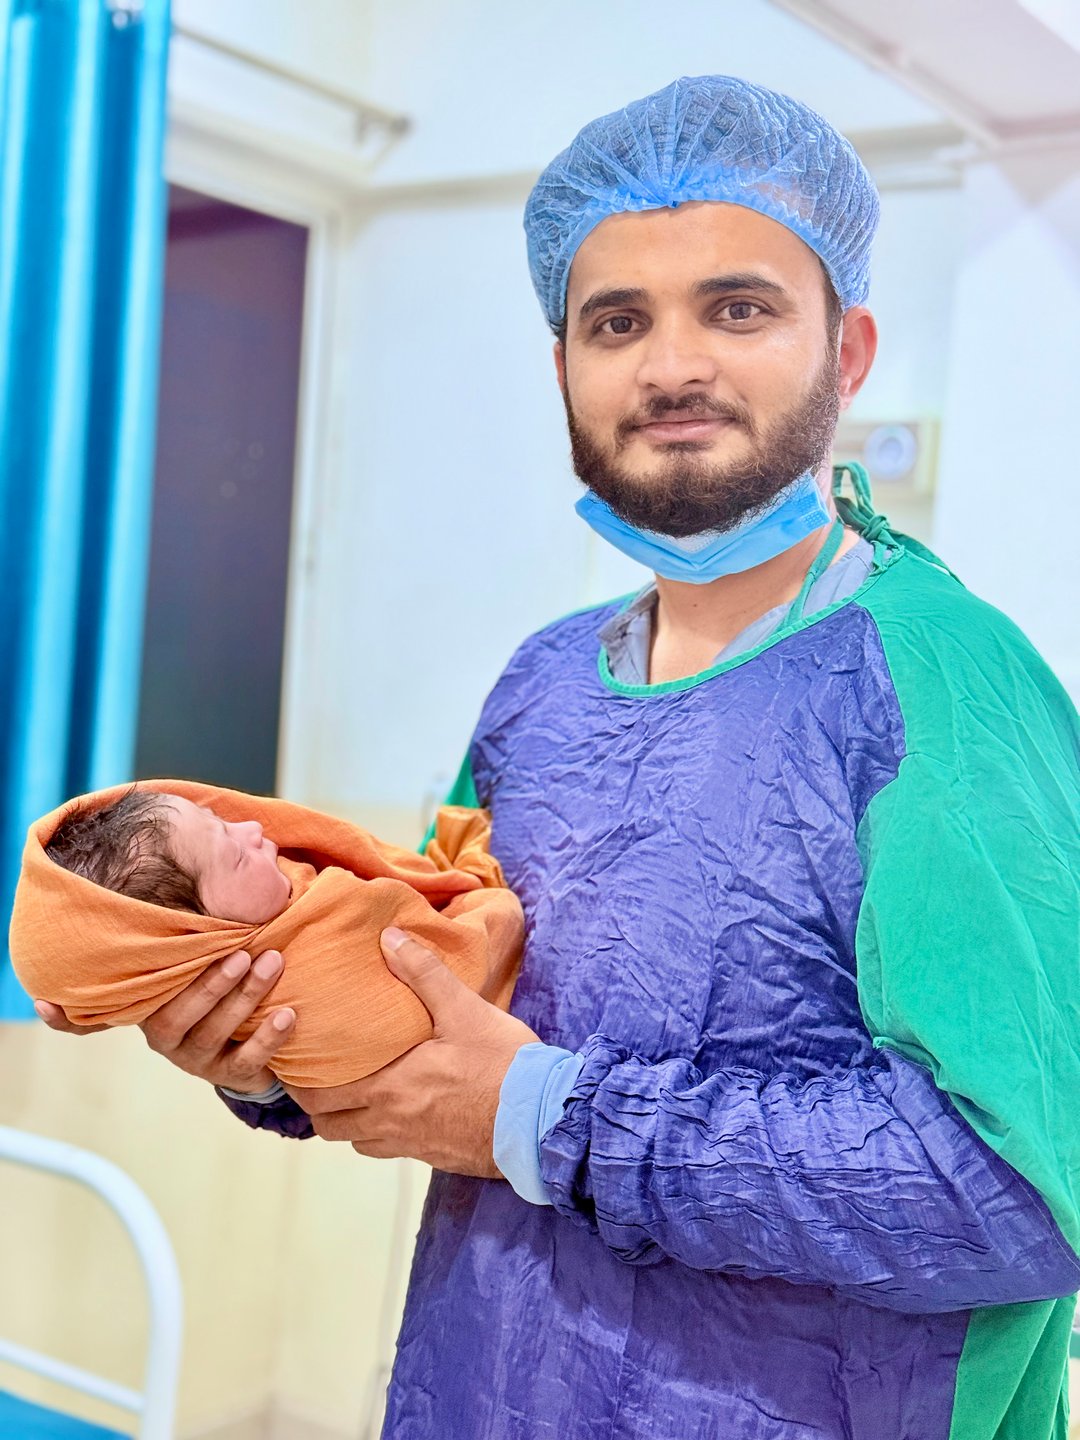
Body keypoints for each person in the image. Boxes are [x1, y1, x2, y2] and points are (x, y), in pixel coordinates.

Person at [40, 75, 1080, 1439]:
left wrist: (548, 1119)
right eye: (617, 321)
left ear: (852, 351)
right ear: (564, 368)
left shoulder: (944, 685)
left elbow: (1017, 1189)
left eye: (740, 308)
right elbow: (434, 1011)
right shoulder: (541, 689)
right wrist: (266, 1052)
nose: (672, 366)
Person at [17, 779, 521, 1088]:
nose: (254, 830)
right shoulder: (304, 981)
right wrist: (486, 902)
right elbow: (482, 951)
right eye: (236, 856)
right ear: (197, 936)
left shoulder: (273, 898)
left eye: (222, 820)